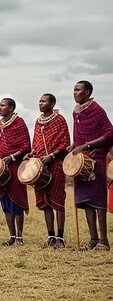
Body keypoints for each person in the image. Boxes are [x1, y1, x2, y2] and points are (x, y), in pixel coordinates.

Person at [67, 81, 113, 250]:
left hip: (96, 159)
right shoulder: (75, 110)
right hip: (81, 161)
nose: (74, 93)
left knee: (98, 200)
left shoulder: (97, 110)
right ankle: (93, 239)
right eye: (74, 90)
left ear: (87, 92)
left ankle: (104, 240)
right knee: (86, 201)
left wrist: (87, 145)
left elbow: (110, 133)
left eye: (78, 90)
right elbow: (77, 132)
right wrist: (74, 144)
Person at [25, 94, 70, 248]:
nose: (40, 103)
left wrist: (52, 155)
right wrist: (32, 153)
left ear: (52, 104)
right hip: (40, 165)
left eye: (43, 101)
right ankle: (50, 236)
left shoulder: (60, 120)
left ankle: (61, 238)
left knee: (57, 200)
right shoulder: (38, 122)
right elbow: (35, 143)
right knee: (45, 202)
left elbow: (65, 142)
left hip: (56, 163)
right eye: (39, 101)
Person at [0, 98, 31, 246]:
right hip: (2, 168)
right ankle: (11, 236)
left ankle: (19, 237)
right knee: (5, 203)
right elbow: (1, 144)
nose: (0, 108)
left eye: (3, 105)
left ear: (11, 107)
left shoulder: (19, 122)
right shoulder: (0, 124)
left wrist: (12, 157)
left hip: (15, 166)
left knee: (17, 201)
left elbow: (27, 146)